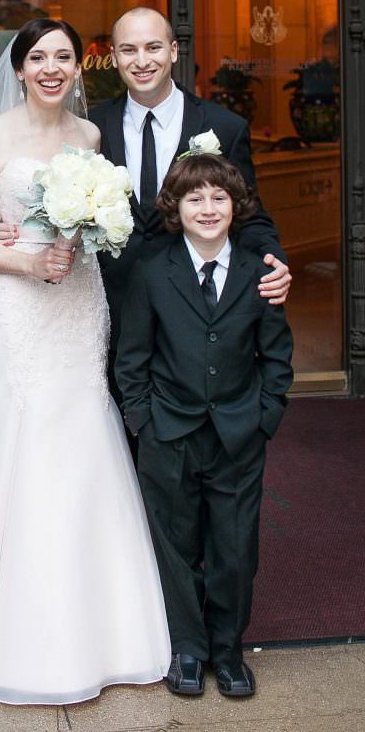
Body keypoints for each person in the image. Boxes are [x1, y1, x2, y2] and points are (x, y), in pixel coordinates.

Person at [0, 18, 171, 705]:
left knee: (81, 437)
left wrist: (85, 238)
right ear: (20, 67)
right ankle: (3, 626)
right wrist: (26, 260)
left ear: (78, 65)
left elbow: (100, 224)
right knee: (19, 440)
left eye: (63, 56)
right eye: (39, 57)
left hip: (79, 302)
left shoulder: (89, 137)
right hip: (18, 309)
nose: (52, 67)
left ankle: (105, 628)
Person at [115, 154, 293, 699]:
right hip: (169, 430)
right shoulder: (152, 268)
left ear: (236, 206)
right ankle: (187, 648)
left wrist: (264, 416)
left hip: (239, 432)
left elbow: (277, 354)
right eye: (195, 198)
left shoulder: (260, 271)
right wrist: (143, 419)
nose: (208, 208)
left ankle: (227, 648)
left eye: (219, 197)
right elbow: (132, 357)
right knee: (175, 543)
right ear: (176, 207)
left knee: (235, 548)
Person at [88, 7, 291, 402]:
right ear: (113, 57)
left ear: (174, 51)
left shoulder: (223, 127)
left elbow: (249, 213)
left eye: (153, 47)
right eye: (129, 50)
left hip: (192, 304)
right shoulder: (93, 127)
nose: (142, 61)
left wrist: (273, 258)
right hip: (112, 303)